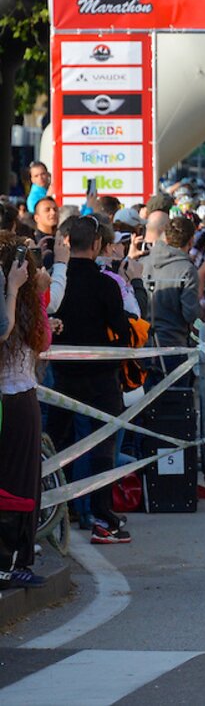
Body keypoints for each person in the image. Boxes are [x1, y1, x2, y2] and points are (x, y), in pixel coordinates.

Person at [47, 215, 133, 544]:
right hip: (101, 375)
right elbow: (121, 331)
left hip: (62, 374)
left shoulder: (58, 281)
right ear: (97, 245)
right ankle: (101, 516)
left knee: (56, 442)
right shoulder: (106, 284)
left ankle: (54, 511)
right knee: (103, 446)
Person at [0, 234, 45, 586]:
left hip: (15, 396)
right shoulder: (17, 303)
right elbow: (37, 340)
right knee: (20, 482)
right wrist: (27, 292)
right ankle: (14, 561)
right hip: (17, 398)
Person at [143, 217, 200, 352]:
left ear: (166, 238)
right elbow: (190, 314)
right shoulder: (187, 269)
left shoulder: (142, 263)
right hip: (174, 343)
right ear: (191, 241)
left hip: (143, 343)